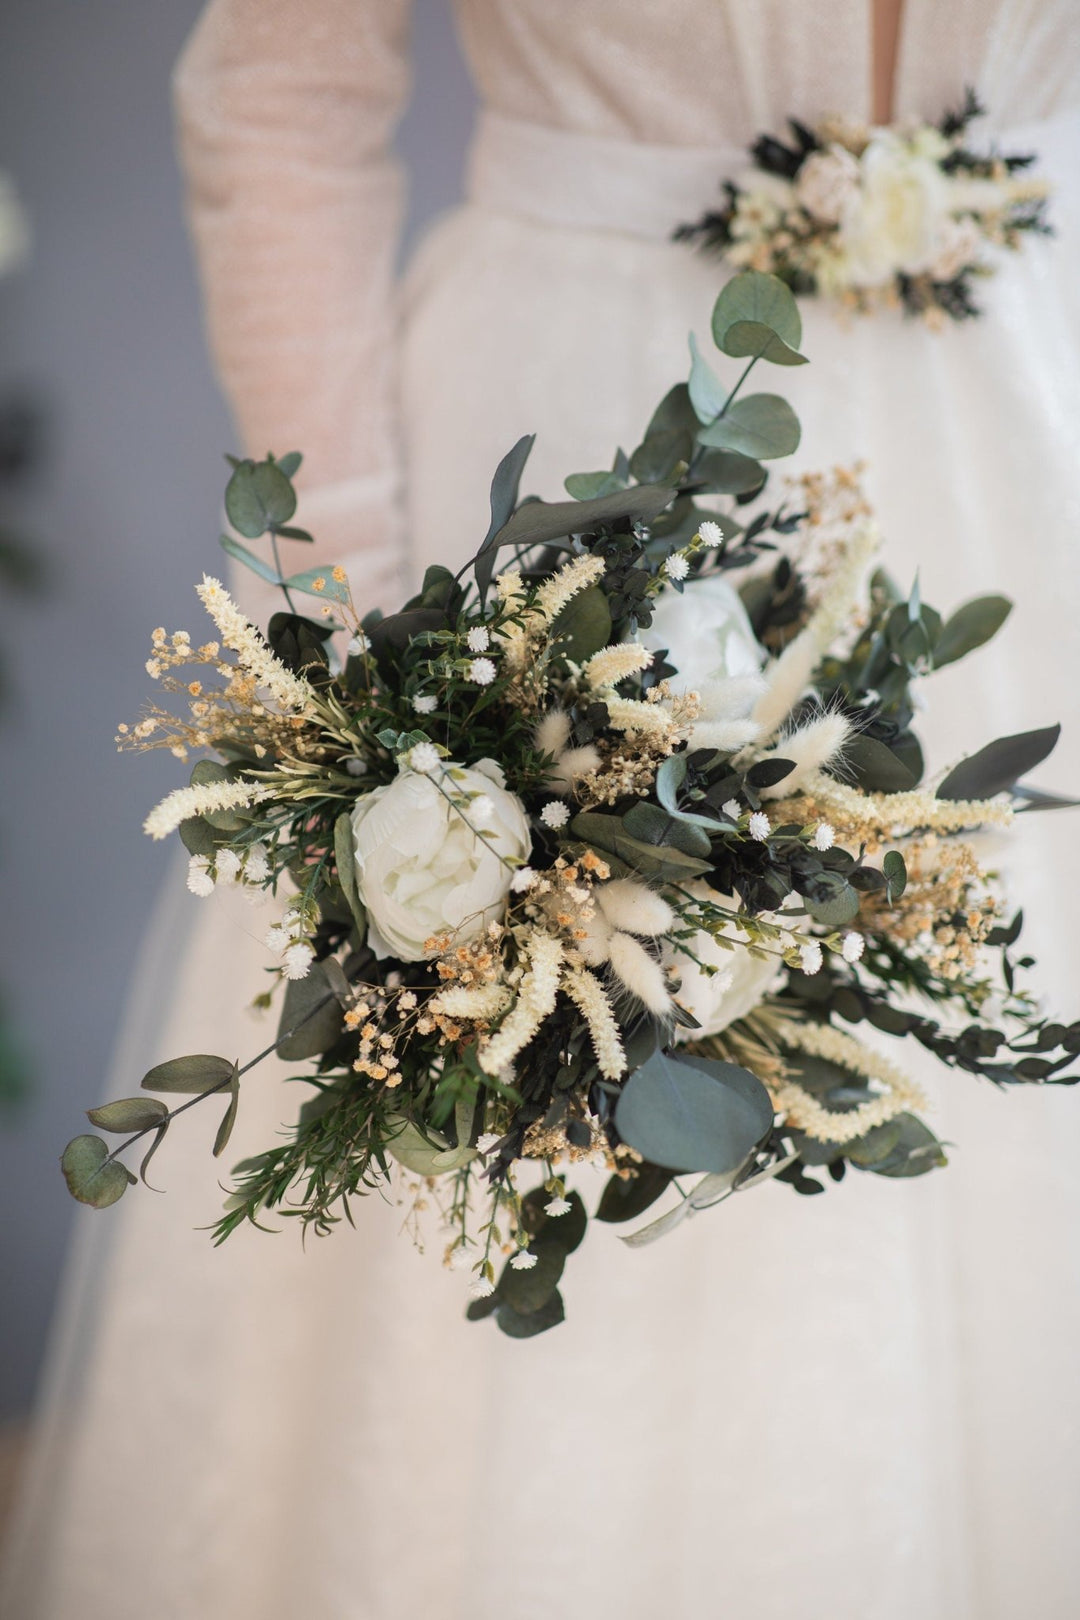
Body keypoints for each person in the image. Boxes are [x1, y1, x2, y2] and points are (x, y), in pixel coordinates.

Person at [4, 4, 1079, 1616]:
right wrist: (352, 649)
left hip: (1019, 461)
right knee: (541, 1126)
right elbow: (280, 90)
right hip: (575, 473)